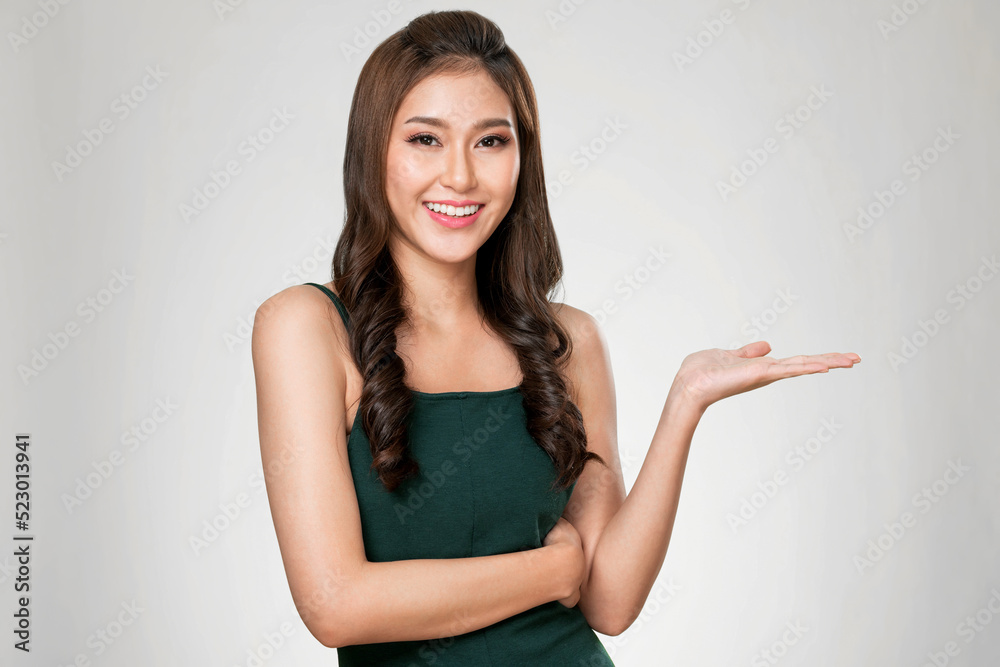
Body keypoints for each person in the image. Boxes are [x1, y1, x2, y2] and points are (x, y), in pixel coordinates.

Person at [250, 9, 860, 666]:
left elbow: (610, 601)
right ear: (374, 151)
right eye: (425, 139)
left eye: (491, 142)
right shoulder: (305, 327)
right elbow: (336, 603)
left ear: (522, 158)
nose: (459, 176)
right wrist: (550, 571)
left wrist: (686, 402)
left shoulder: (569, 341)